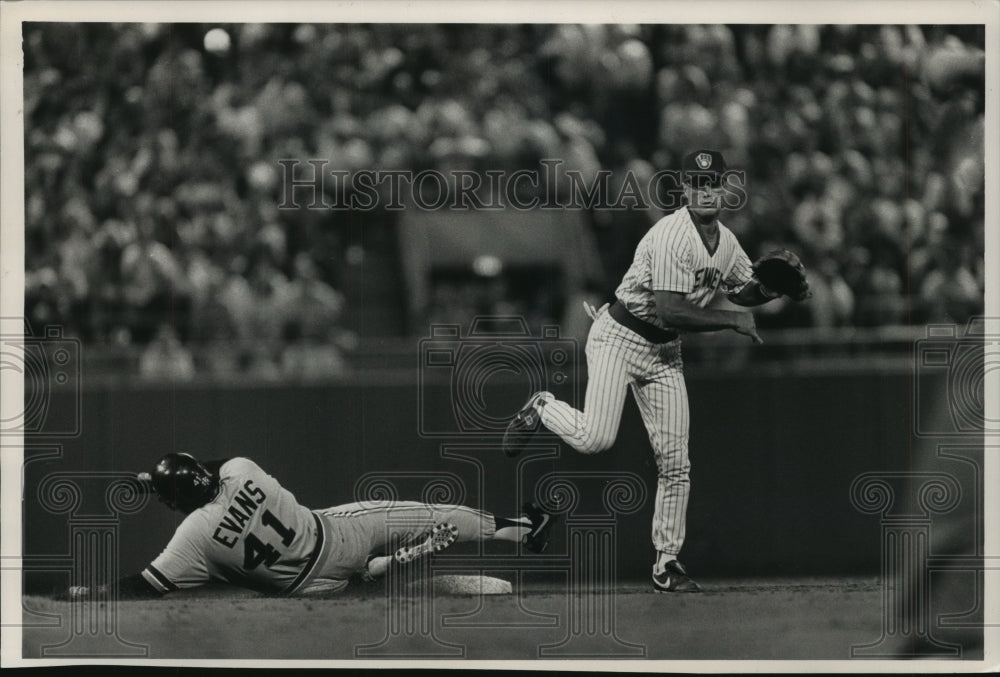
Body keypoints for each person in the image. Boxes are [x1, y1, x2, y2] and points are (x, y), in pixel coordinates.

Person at [503, 149, 809, 593]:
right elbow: (672, 308)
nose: (705, 190)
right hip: (620, 338)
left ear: (725, 189)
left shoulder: (726, 242)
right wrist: (731, 319)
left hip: (664, 352)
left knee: (676, 463)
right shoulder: (671, 235)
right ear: (684, 190)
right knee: (595, 439)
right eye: (697, 184)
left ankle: (667, 564)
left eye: (713, 183)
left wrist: (770, 291)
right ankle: (544, 406)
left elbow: (742, 293)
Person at [70, 453, 556, 599]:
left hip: (311, 590)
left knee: (374, 586)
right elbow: (210, 466)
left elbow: (144, 585)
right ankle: (522, 529)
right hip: (337, 536)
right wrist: (162, 481)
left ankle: (384, 572)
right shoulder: (242, 469)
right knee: (426, 515)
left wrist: (92, 594)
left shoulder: (192, 538)